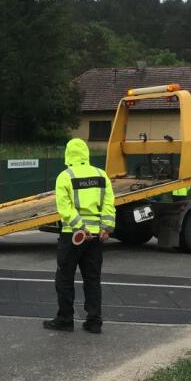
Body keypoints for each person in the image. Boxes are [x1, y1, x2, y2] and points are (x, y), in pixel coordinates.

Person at [44, 138, 116, 334]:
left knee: (65, 278)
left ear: (69, 154)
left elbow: (64, 208)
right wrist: (106, 227)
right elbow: (109, 203)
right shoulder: (101, 175)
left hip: (73, 235)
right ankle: (94, 322)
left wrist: (80, 227)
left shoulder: (65, 176)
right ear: (86, 153)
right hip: (96, 237)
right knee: (92, 279)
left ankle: (65, 320)